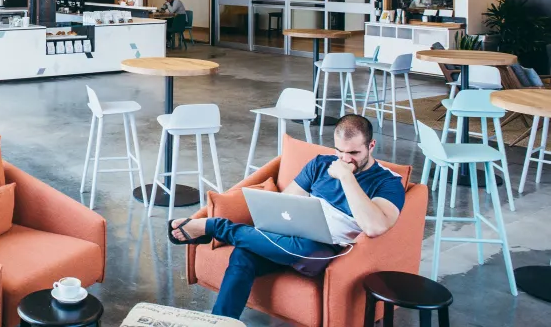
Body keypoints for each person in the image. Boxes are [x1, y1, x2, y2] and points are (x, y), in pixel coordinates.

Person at [169, 115, 404, 320]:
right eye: (339, 151)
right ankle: (222, 322)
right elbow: (285, 204)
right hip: (291, 238)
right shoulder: (321, 164)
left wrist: (346, 178)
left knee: (298, 247)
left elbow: (374, 227)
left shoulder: (387, 182)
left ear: (371, 145)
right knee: (244, 254)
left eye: (353, 153)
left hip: (323, 250)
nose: (344, 159)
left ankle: (216, 227)